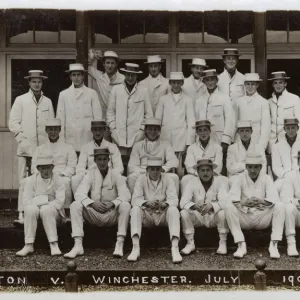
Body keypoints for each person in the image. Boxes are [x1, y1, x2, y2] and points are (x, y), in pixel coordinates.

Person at [64, 148, 131, 259]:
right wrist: (92, 203)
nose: (102, 162)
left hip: (111, 214)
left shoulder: (115, 174)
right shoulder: (90, 174)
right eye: (99, 159)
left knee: (126, 205)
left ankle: (120, 243)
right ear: (95, 161)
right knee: (75, 205)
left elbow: (126, 195)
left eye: (105, 159)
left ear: (109, 160)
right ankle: (78, 245)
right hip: (95, 213)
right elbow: (79, 194)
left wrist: (113, 203)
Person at [9, 70, 55, 225]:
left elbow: (51, 124)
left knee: (43, 180)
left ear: (42, 83)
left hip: (42, 149)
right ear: (29, 83)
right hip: (25, 149)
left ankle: (41, 212)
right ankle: (22, 213)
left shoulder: (47, 101)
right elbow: (13, 122)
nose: (37, 84)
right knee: (24, 181)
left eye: (39, 81)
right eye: (34, 81)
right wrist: (22, 140)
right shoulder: (20, 100)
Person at [14, 119, 77, 225]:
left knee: (65, 181)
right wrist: (41, 175)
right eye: (50, 129)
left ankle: (66, 214)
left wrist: (61, 174)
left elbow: (72, 166)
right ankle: (22, 214)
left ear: (59, 130)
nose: (53, 132)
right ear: (46, 131)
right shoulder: (40, 149)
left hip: (60, 176)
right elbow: (34, 166)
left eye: (55, 129)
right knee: (24, 182)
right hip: (43, 175)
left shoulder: (68, 148)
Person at [224, 153, 285, 259]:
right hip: (245, 216)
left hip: (261, 217)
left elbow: (274, 198)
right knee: (228, 207)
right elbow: (231, 198)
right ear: (246, 167)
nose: (253, 170)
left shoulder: (266, 178)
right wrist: (244, 202)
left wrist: (261, 201)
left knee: (280, 206)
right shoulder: (240, 178)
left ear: (261, 167)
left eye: (256, 167)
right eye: (250, 167)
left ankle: (274, 245)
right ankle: (241, 244)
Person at [127, 157, 182, 263]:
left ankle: (175, 248)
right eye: (152, 169)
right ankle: (135, 247)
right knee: (135, 210)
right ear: (147, 170)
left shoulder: (168, 179)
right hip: (148, 214)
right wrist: (146, 202)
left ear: (161, 169)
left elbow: (174, 199)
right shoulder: (141, 179)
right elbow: (135, 199)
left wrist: (164, 203)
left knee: (174, 210)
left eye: (158, 169)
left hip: (162, 214)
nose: (155, 172)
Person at [16, 156, 66, 257]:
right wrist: (47, 199)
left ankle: (53, 244)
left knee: (46, 209)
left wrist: (39, 202)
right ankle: (28, 244)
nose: (46, 171)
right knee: (30, 209)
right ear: (38, 169)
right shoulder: (31, 180)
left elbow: (59, 202)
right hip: (36, 213)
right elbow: (26, 202)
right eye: (43, 168)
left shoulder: (59, 180)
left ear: (52, 167)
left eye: (48, 167)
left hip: (55, 215)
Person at [180, 159, 230, 256]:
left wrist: (212, 206)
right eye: (202, 170)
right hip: (198, 215)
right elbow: (183, 202)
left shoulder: (219, 182)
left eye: (208, 170)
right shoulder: (192, 182)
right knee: (184, 213)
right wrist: (194, 206)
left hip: (213, 216)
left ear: (212, 171)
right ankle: (190, 243)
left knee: (223, 212)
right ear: (198, 172)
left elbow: (226, 202)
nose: (205, 173)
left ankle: (223, 243)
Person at [195, 69, 235, 175]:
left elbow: (230, 120)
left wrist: (225, 141)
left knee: (219, 168)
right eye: (207, 80)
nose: (210, 82)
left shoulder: (225, 98)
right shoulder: (199, 100)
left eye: (212, 79)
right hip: (203, 140)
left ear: (216, 80)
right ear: (204, 82)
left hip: (219, 139)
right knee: (205, 166)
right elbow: (196, 120)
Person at [106, 63, 153, 153]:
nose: (130, 78)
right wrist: (113, 129)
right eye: (128, 75)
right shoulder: (116, 90)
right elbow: (110, 113)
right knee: (119, 164)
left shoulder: (143, 91)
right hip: (118, 137)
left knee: (136, 164)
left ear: (137, 75)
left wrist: (142, 131)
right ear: (125, 75)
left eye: (133, 75)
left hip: (138, 138)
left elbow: (149, 115)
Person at [56, 63, 102, 155]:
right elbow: (60, 120)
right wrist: (61, 142)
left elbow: (98, 119)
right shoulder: (64, 94)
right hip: (70, 140)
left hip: (87, 138)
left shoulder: (92, 93)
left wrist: (96, 140)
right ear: (70, 76)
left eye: (78, 75)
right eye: (74, 75)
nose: (76, 78)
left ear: (83, 76)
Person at [127, 118, 179, 194]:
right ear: (145, 130)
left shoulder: (166, 145)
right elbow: (132, 166)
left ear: (159, 131)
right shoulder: (137, 145)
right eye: (150, 129)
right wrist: (146, 172)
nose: (153, 132)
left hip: (159, 172)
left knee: (174, 177)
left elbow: (174, 161)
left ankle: (172, 203)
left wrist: (162, 169)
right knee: (131, 177)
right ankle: (135, 202)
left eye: (155, 129)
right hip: (143, 172)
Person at [71, 119, 123, 193]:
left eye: (100, 129)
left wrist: (109, 175)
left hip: (109, 176)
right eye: (95, 130)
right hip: (91, 176)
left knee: (121, 179)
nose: (97, 132)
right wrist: (90, 175)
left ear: (104, 130)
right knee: (75, 179)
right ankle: (83, 201)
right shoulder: (86, 147)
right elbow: (80, 168)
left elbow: (119, 167)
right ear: (92, 130)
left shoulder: (112, 147)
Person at [155, 72, 195, 155]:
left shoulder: (188, 100)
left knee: (179, 166)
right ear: (170, 83)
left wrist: (188, 143)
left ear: (182, 83)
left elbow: (191, 122)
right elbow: (157, 121)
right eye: (173, 82)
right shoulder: (163, 99)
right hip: (164, 139)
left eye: (178, 82)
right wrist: (156, 139)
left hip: (181, 140)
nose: (176, 85)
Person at [181, 120, 223, 193]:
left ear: (209, 131)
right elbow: (189, 165)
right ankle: (187, 203)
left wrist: (208, 174)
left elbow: (218, 165)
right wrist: (200, 174)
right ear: (197, 133)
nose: (203, 133)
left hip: (212, 175)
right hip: (196, 175)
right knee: (185, 179)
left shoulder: (217, 147)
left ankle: (219, 203)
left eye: (205, 130)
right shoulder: (191, 148)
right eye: (200, 130)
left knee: (224, 180)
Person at [233, 73, 271, 150]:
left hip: (256, 141)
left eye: (252, 84)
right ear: (244, 85)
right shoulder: (238, 102)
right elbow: (234, 124)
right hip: (239, 140)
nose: (250, 87)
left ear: (257, 85)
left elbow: (266, 127)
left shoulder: (263, 102)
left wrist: (261, 146)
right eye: (248, 84)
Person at [268, 71, 300, 153]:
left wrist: (297, 142)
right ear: (272, 85)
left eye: (280, 82)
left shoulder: (294, 99)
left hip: (289, 141)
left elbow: (299, 121)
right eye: (275, 83)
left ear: (285, 84)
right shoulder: (269, 102)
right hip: (272, 142)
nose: (278, 85)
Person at [227, 120, 267, 185]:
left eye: (247, 130)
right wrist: (249, 166)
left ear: (251, 132)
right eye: (242, 131)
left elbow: (263, 165)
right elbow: (230, 167)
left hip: (255, 176)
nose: (244, 134)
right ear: (238, 132)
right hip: (238, 177)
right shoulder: (232, 148)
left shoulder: (259, 147)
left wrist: (241, 166)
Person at [88, 49, 125, 118]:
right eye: (107, 63)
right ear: (103, 64)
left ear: (116, 64)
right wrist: (93, 58)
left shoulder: (123, 79)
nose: (110, 66)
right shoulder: (99, 76)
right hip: (104, 117)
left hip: (119, 116)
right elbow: (87, 67)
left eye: (112, 63)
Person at [279, 151, 300, 257]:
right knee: (289, 208)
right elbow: (285, 198)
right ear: (299, 162)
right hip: (298, 213)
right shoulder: (291, 176)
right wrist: (297, 201)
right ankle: (291, 243)